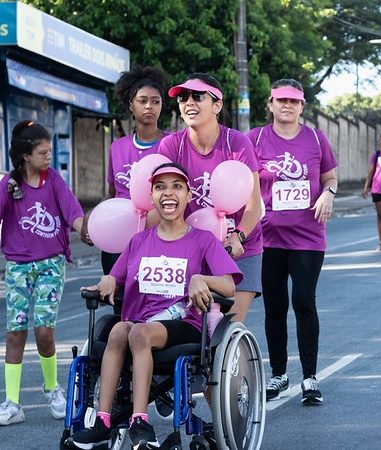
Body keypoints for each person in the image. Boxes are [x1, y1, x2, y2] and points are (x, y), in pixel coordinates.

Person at [65, 163, 241, 450]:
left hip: (182, 325)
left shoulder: (203, 241)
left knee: (136, 333)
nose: (168, 193)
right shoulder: (138, 241)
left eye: (176, 187)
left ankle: (139, 421)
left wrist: (201, 279)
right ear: (152, 196)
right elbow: (115, 276)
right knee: (120, 329)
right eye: (160, 187)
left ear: (188, 195)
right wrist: (107, 281)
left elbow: (229, 285)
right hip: (138, 324)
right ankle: (102, 420)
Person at [247, 79, 338, 405]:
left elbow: (329, 176)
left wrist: (329, 193)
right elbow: (239, 179)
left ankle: (310, 378)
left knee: (303, 301)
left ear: (302, 106)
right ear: (270, 104)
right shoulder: (254, 139)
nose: (287, 105)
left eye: (294, 101)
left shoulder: (315, 138)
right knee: (274, 307)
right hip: (267, 238)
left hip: (308, 237)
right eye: (280, 100)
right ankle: (279, 374)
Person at [156, 73, 263, 321]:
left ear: (217, 105)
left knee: (224, 330)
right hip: (193, 247)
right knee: (186, 331)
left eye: (198, 96)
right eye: (183, 97)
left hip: (239, 249)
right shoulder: (171, 146)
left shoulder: (237, 143)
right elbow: (162, 203)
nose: (188, 102)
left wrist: (238, 235)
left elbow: (254, 205)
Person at [0, 120, 85, 425]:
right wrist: (7, 192)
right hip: (18, 265)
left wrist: (87, 230)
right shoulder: (9, 186)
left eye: (50, 151)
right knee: (15, 331)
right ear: (25, 155)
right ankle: (12, 403)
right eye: (43, 152)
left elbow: (72, 211)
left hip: (51, 262)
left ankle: (52, 389)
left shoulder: (53, 181)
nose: (49, 157)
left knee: (44, 330)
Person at [81, 65, 169, 274]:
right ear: (131, 105)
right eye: (142, 101)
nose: (149, 106)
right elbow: (113, 193)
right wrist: (89, 217)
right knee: (118, 301)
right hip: (118, 237)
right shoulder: (117, 147)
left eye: (155, 101)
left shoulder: (171, 145)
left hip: (157, 237)